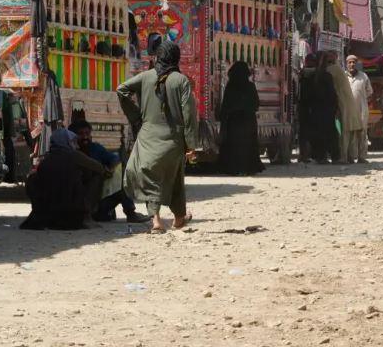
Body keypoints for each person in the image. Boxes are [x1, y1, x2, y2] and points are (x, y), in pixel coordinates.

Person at [116, 41, 198, 233]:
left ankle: (156, 221)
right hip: (173, 140)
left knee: (150, 178)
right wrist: (191, 145)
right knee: (175, 178)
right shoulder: (181, 81)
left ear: (157, 57)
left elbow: (121, 90)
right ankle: (179, 218)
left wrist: (136, 117)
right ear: (176, 57)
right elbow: (189, 115)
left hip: (147, 138)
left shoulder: (145, 77)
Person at [21, 128, 106, 230]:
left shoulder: (46, 159)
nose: (76, 145)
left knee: (32, 179)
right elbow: (100, 168)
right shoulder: (74, 155)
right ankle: (86, 217)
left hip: (48, 215)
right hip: (72, 215)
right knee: (97, 176)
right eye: (73, 142)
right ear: (67, 142)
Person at [68, 121, 151, 223]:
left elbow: (115, 159)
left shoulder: (95, 148)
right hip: (77, 203)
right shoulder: (69, 152)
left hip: (98, 202)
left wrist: (110, 169)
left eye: (87, 134)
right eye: (81, 134)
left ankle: (130, 213)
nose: (85, 137)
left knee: (122, 175)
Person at [215, 62, 265, 175]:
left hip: (234, 122)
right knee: (247, 146)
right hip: (248, 121)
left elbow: (226, 105)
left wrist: (223, 118)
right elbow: (256, 104)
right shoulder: (250, 86)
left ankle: (234, 168)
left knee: (234, 146)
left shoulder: (230, 86)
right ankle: (248, 168)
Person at [325, 52, 361, 163]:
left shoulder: (332, 69)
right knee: (349, 132)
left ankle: (344, 158)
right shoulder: (339, 70)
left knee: (345, 133)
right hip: (348, 106)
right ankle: (349, 157)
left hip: (345, 106)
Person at [345, 55, 373, 164]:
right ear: (346, 64)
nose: (352, 64)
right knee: (350, 133)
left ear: (357, 64)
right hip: (348, 110)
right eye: (349, 62)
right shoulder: (344, 76)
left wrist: (362, 100)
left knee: (362, 133)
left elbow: (369, 92)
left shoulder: (363, 76)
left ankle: (362, 157)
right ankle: (350, 157)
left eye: (354, 62)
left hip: (362, 110)